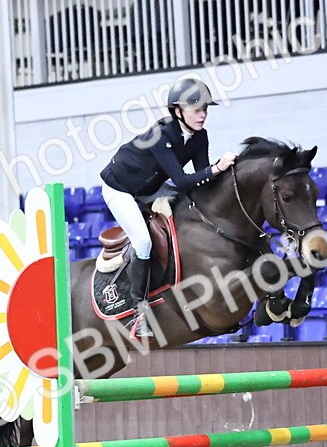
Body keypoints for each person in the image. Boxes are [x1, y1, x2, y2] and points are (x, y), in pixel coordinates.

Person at [100, 76, 237, 336]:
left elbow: (200, 180)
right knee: (143, 242)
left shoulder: (200, 137)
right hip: (120, 189)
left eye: (205, 109)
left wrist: (228, 174)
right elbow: (183, 180)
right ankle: (139, 314)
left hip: (151, 187)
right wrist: (218, 167)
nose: (203, 115)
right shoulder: (160, 135)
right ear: (177, 111)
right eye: (196, 109)